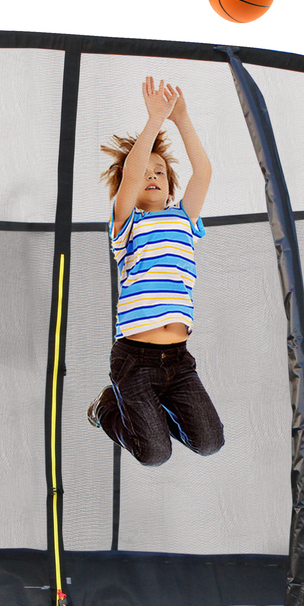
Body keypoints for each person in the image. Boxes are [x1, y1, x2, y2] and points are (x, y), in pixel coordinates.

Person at [87, 77, 223, 467]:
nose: (151, 176)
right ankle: (107, 407)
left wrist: (181, 118)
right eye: (145, 172)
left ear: (169, 187)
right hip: (134, 360)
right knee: (154, 454)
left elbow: (203, 173)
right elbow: (131, 176)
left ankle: (148, 413)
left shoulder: (184, 218)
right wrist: (154, 120)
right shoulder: (127, 223)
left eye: (160, 172)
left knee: (209, 442)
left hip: (178, 361)